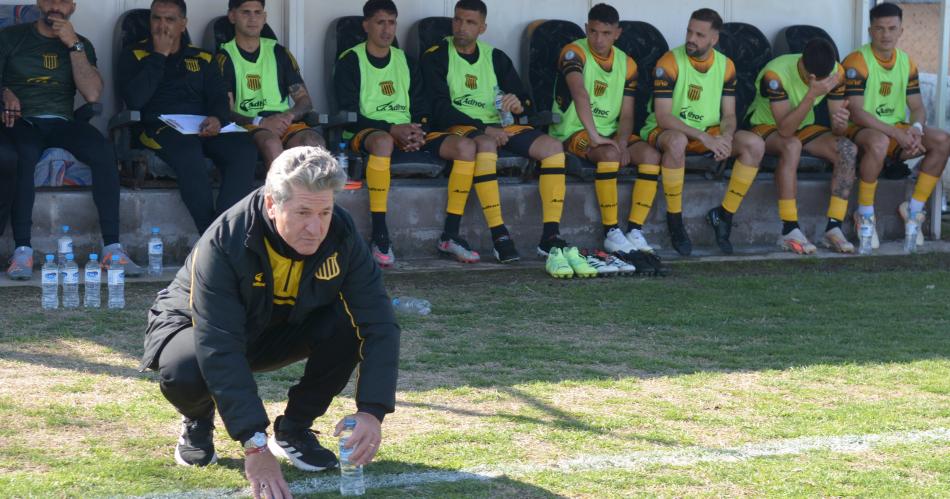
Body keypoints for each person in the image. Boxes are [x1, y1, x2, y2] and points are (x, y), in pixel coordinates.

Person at [142, 147, 399, 498]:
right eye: (303, 212)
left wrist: (372, 411)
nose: (315, 227)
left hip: (278, 326)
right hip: (198, 328)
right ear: (270, 204)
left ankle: (295, 429)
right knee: (183, 368)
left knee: (348, 326)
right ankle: (198, 420)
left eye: (324, 211)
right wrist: (254, 444)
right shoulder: (225, 240)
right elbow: (218, 343)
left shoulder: (342, 233)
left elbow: (379, 325)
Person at [423, 0, 583, 269]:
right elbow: (438, 108)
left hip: (498, 126)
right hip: (458, 127)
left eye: (470, 22)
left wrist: (518, 105)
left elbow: (522, 99)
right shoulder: (436, 55)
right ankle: (499, 234)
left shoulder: (495, 57)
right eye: (458, 20)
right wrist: (485, 129)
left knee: (553, 147)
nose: (462, 27)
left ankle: (550, 236)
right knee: (485, 144)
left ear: (482, 28)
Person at [1, 0, 141, 280]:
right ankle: (23, 250)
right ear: (40, 2)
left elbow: (92, 95)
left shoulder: (81, 44)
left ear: (73, 7)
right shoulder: (11, 37)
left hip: (63, 120)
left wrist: (73, 45)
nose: (56, 6)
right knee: (25, 153)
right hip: (20, 119)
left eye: (63, 1)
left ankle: (112, 247)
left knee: (103, 151)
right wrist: (4, 92)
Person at [335, 0, 476, 267]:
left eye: (392, 22)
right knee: (384, 141)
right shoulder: (350, 60)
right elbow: (348, 113)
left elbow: (423, 106)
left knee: (466, 148)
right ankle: (380, 235)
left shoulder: (406, 61)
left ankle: (451, 235)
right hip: (368, 133)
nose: (387, 30)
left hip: (408, 132)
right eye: (380, 22)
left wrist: (416, 131)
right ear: (366, 25)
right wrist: (392, 130)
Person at [118, 0, 257, 234]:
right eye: (156, 18)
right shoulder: (134, 54)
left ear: (183, 24)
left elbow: (218, 98)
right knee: (188, 152)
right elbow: (134, 100)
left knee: (245, 149)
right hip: (159, 128)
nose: (162, 26)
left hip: (203, 126)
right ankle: (210, 235)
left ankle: (224, 228)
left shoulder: (202, 57)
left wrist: (217, 118)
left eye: (170, 20)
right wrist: (159, 56)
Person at [639, 8, 765, 255]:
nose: (691, 39)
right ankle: (675, 219)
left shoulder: (726, 66)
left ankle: (724, 215)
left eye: (699, 34)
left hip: (707, 132)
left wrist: (726, 137)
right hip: (666, 129)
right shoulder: (669, 62)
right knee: (676, 142)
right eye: (689, 31)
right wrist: (704, 137)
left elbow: (729, 114)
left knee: (754, 145)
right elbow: (663, 117)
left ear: (713, 39)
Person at [549, 4, 663, 257]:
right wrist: (594, 137)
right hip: (574, 130)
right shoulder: (573, 52)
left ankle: (634, 229)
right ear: (586, 29)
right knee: (609, 156)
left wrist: (622, 142)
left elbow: (627, 114)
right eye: (593, 31)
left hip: (609, 132)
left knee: (651, 157)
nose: (598, 39)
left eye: (605, 33)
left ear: (617, 33)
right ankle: (611, 232)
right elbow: (579, 92)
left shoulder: (627, 64)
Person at [843, 2, 950, 251]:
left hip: (895, 129)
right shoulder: (857, 61)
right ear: (870, 31)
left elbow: (918, 107)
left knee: (943, 140)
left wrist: (915, 129)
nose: (886, 35)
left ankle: (913, 210)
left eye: (892, 28)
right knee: (879, 142)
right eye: (880, 29)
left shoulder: (907, 62)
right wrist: (897, 134)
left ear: (901, 30)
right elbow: (856, 112)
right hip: (861, 129)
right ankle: (865, 213)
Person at [746, 38, 857, 255]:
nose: (817, 82)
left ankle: (834, 227)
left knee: (848, 149)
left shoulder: (836, 73)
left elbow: (837, 129)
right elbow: (785, 130)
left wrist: (841, 123)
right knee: (792, 145)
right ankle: (789, 229)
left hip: (803, 126)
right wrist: (811, 95)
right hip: (765, 125)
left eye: (822, 80)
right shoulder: (775, 74)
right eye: (811, 78)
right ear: (803, 66)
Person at [218, 0, 325, 169]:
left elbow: (305, 101)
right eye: (245, 12)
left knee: (313, 142)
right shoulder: (224, 58)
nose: (253, 18)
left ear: (264, 17)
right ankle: (276, 196)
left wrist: (287, 116)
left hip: (284, 122)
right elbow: (225, 112)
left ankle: (310, 195)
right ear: (232, 16)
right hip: (249, 125)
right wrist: (261, 121)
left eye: (258, 12)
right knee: (271, 143)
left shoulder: (279, 52)